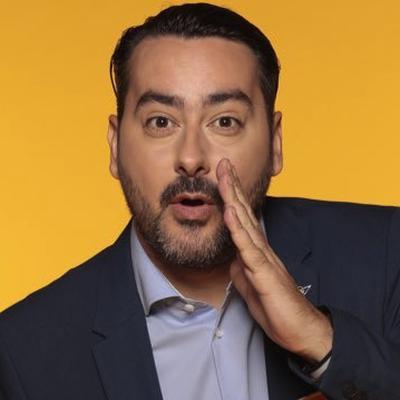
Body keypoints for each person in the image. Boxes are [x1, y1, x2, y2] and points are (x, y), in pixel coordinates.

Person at [0, 3, 399, 400]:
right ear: (116, 145)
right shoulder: (23, 353)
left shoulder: (385, 258)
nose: (191, 158)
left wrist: (321, 340)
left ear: (275, 143)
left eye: (225, 122)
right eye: (161, 122)